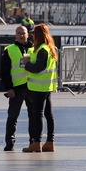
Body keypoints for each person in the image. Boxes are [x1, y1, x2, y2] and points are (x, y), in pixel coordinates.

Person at [22, 23, 58, 152]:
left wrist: (27, 64)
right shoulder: (49, 48)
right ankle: (50, 142)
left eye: (33, 34)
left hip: (39, 87)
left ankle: (37, 142)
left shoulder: (42, 49)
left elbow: (38, 67)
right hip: (47, 86)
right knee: (48, 114)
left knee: (38, 115)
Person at [1, 25, 33, 151]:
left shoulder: (34, 49)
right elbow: (4, 71)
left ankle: (33, 141)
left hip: (32, 87)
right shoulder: (9, 50)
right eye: (19, 33)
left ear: (27, 34)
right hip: (17, 88)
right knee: (12, 116)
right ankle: (10, 141)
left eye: (23, 33)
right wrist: (9, 88)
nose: (21, 35)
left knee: (34, 117)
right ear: (15, 35)